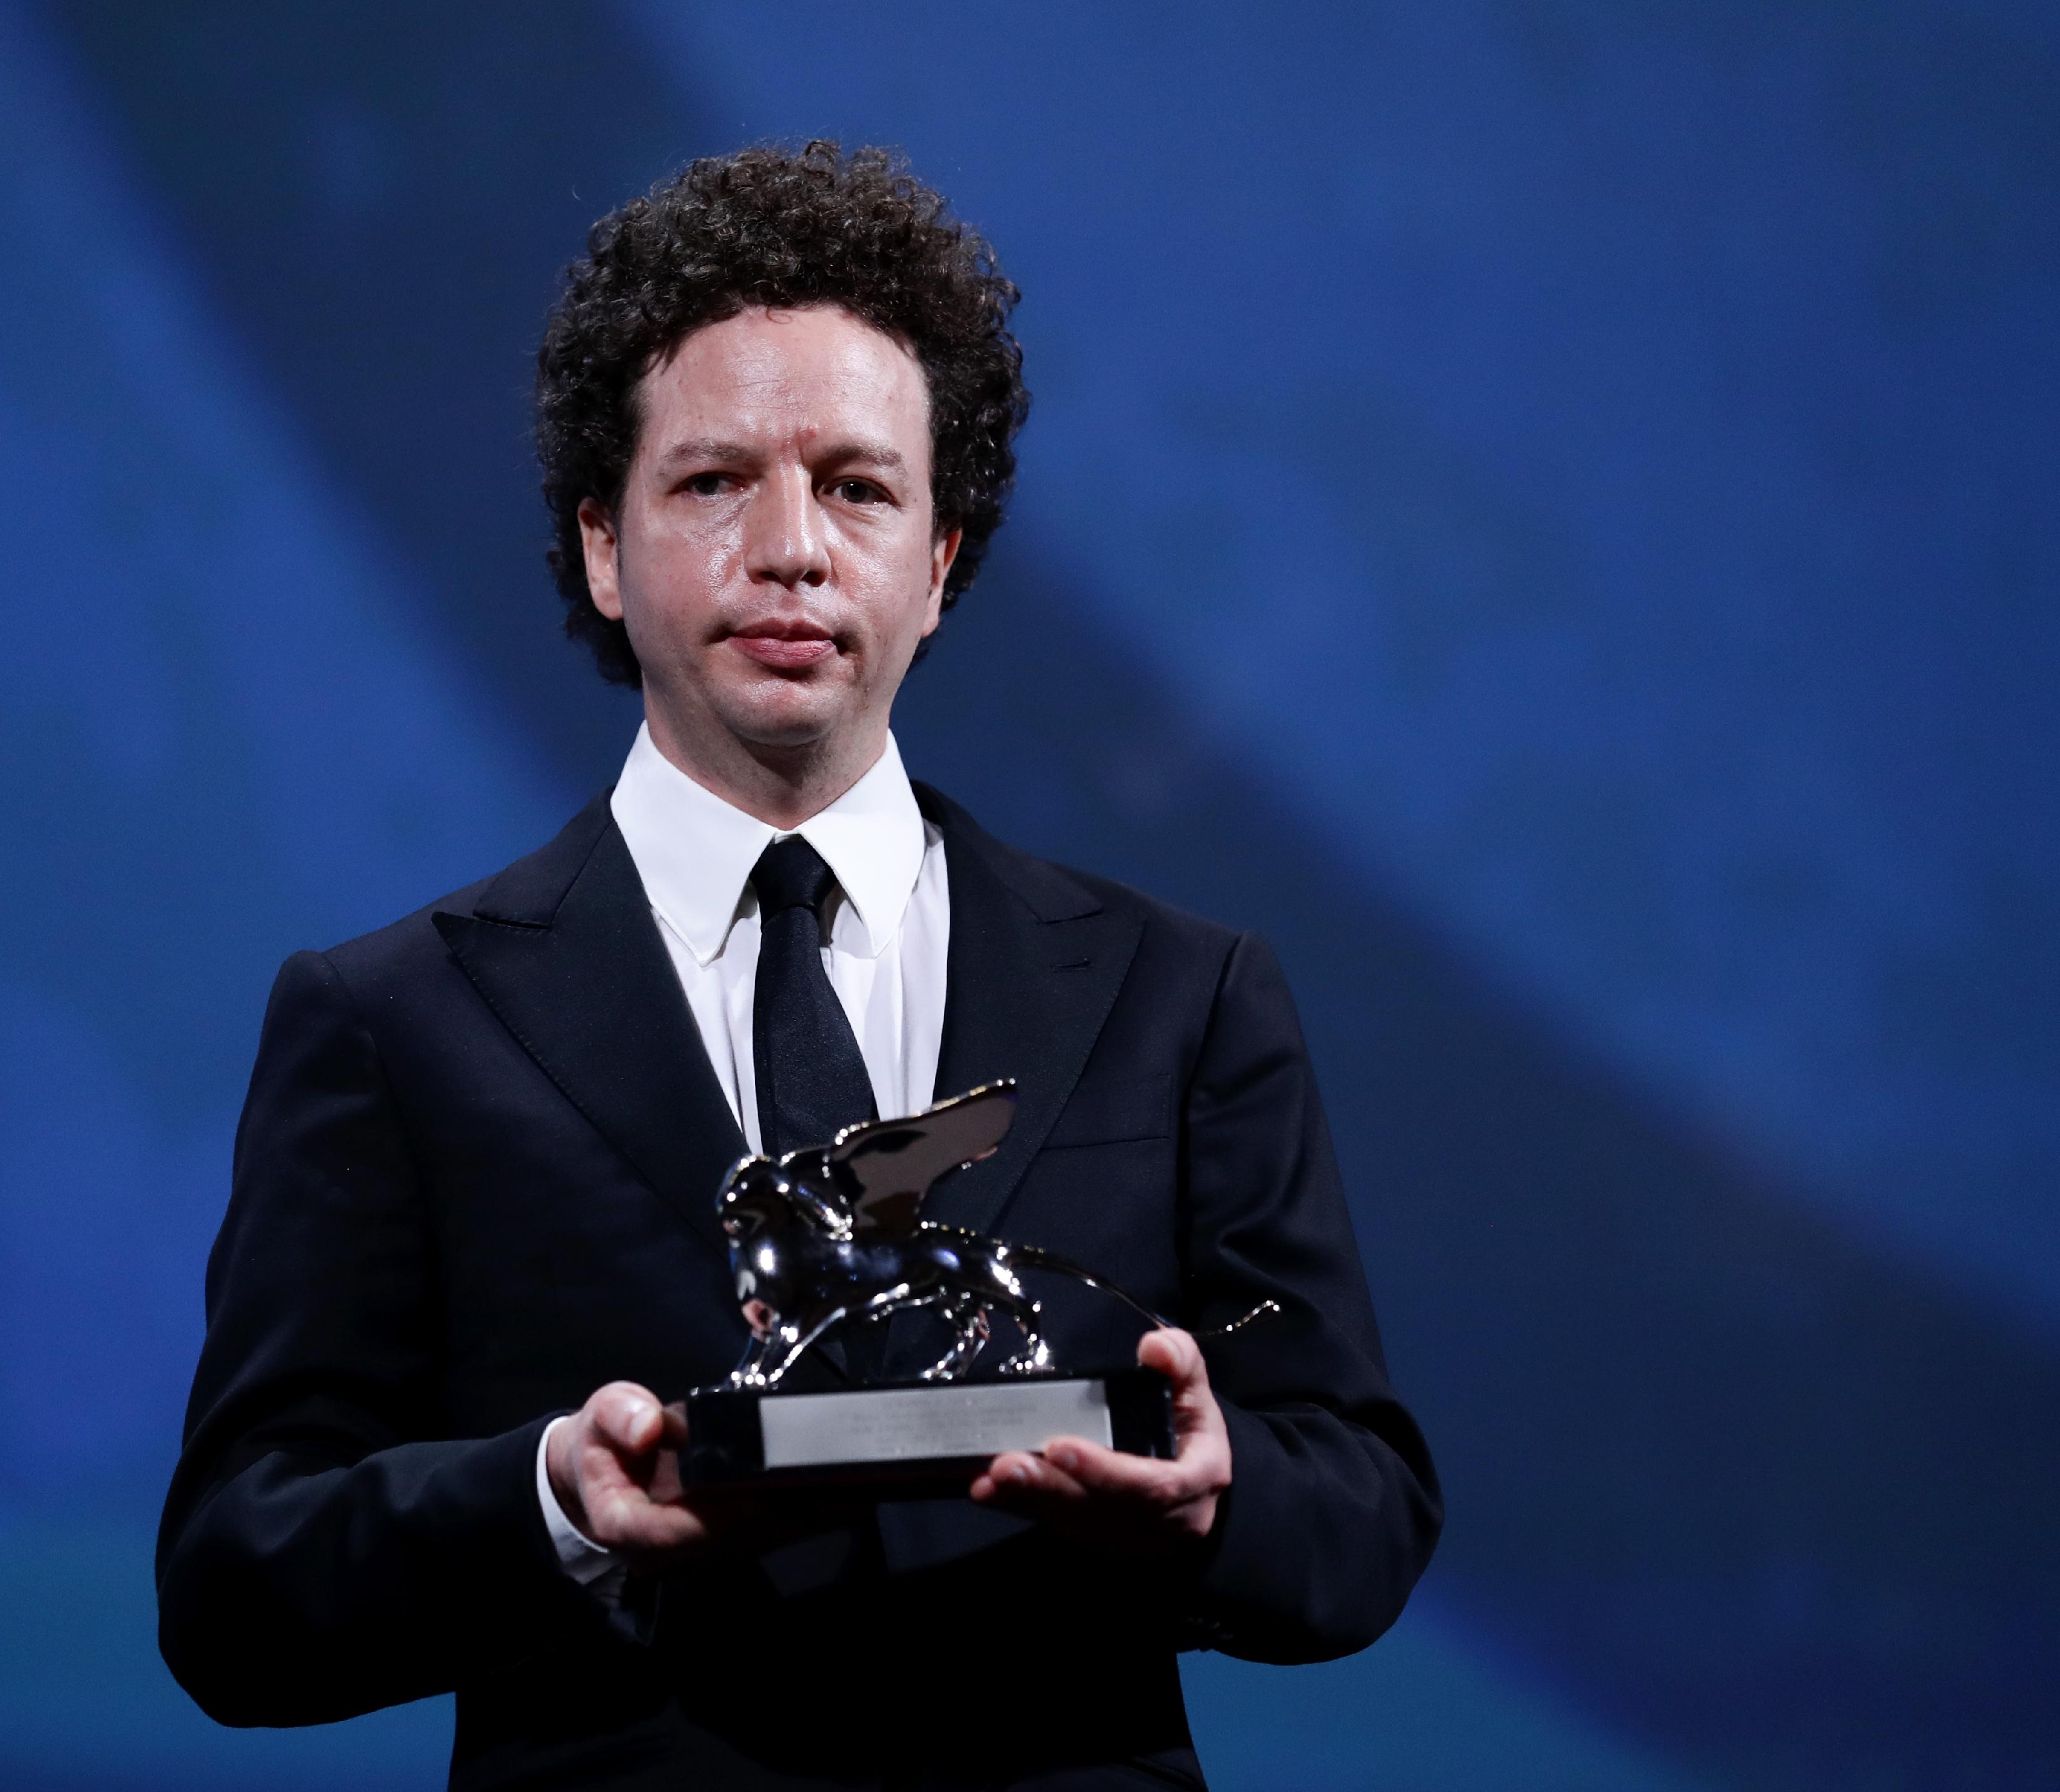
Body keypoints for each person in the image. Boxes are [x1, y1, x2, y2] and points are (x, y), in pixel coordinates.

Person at [157, 141, 1440, 1791]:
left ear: (943, 556)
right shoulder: (391, 1022)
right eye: (713, 483)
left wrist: (1215, 1491)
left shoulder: (1181, 997)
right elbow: (236, 1589)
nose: (791, 548)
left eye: (855, 484)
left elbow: (1363, 1509)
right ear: (604, 549)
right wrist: (554, 1496)